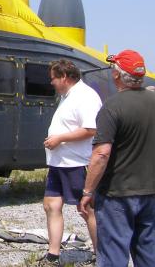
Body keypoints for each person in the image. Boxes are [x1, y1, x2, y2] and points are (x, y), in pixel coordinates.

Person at [78, 50, 155, 267]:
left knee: (113, 254)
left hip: (117, 193)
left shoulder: (112, 106)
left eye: (113, 68)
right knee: (148, 250)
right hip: (149, 191)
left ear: (117, 75)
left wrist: (87, 191)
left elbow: (101, 154)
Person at [39, 59, 102, 266]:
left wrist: (60, 138)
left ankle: (101, 254)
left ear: (64, 77)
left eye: (53, 78)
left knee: (86, 209)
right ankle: (53, 255)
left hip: (76, 162)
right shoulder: (67, 96)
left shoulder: (85, 96)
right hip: (59, 163)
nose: (52, 83)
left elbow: (90, 129)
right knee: (51, 205)